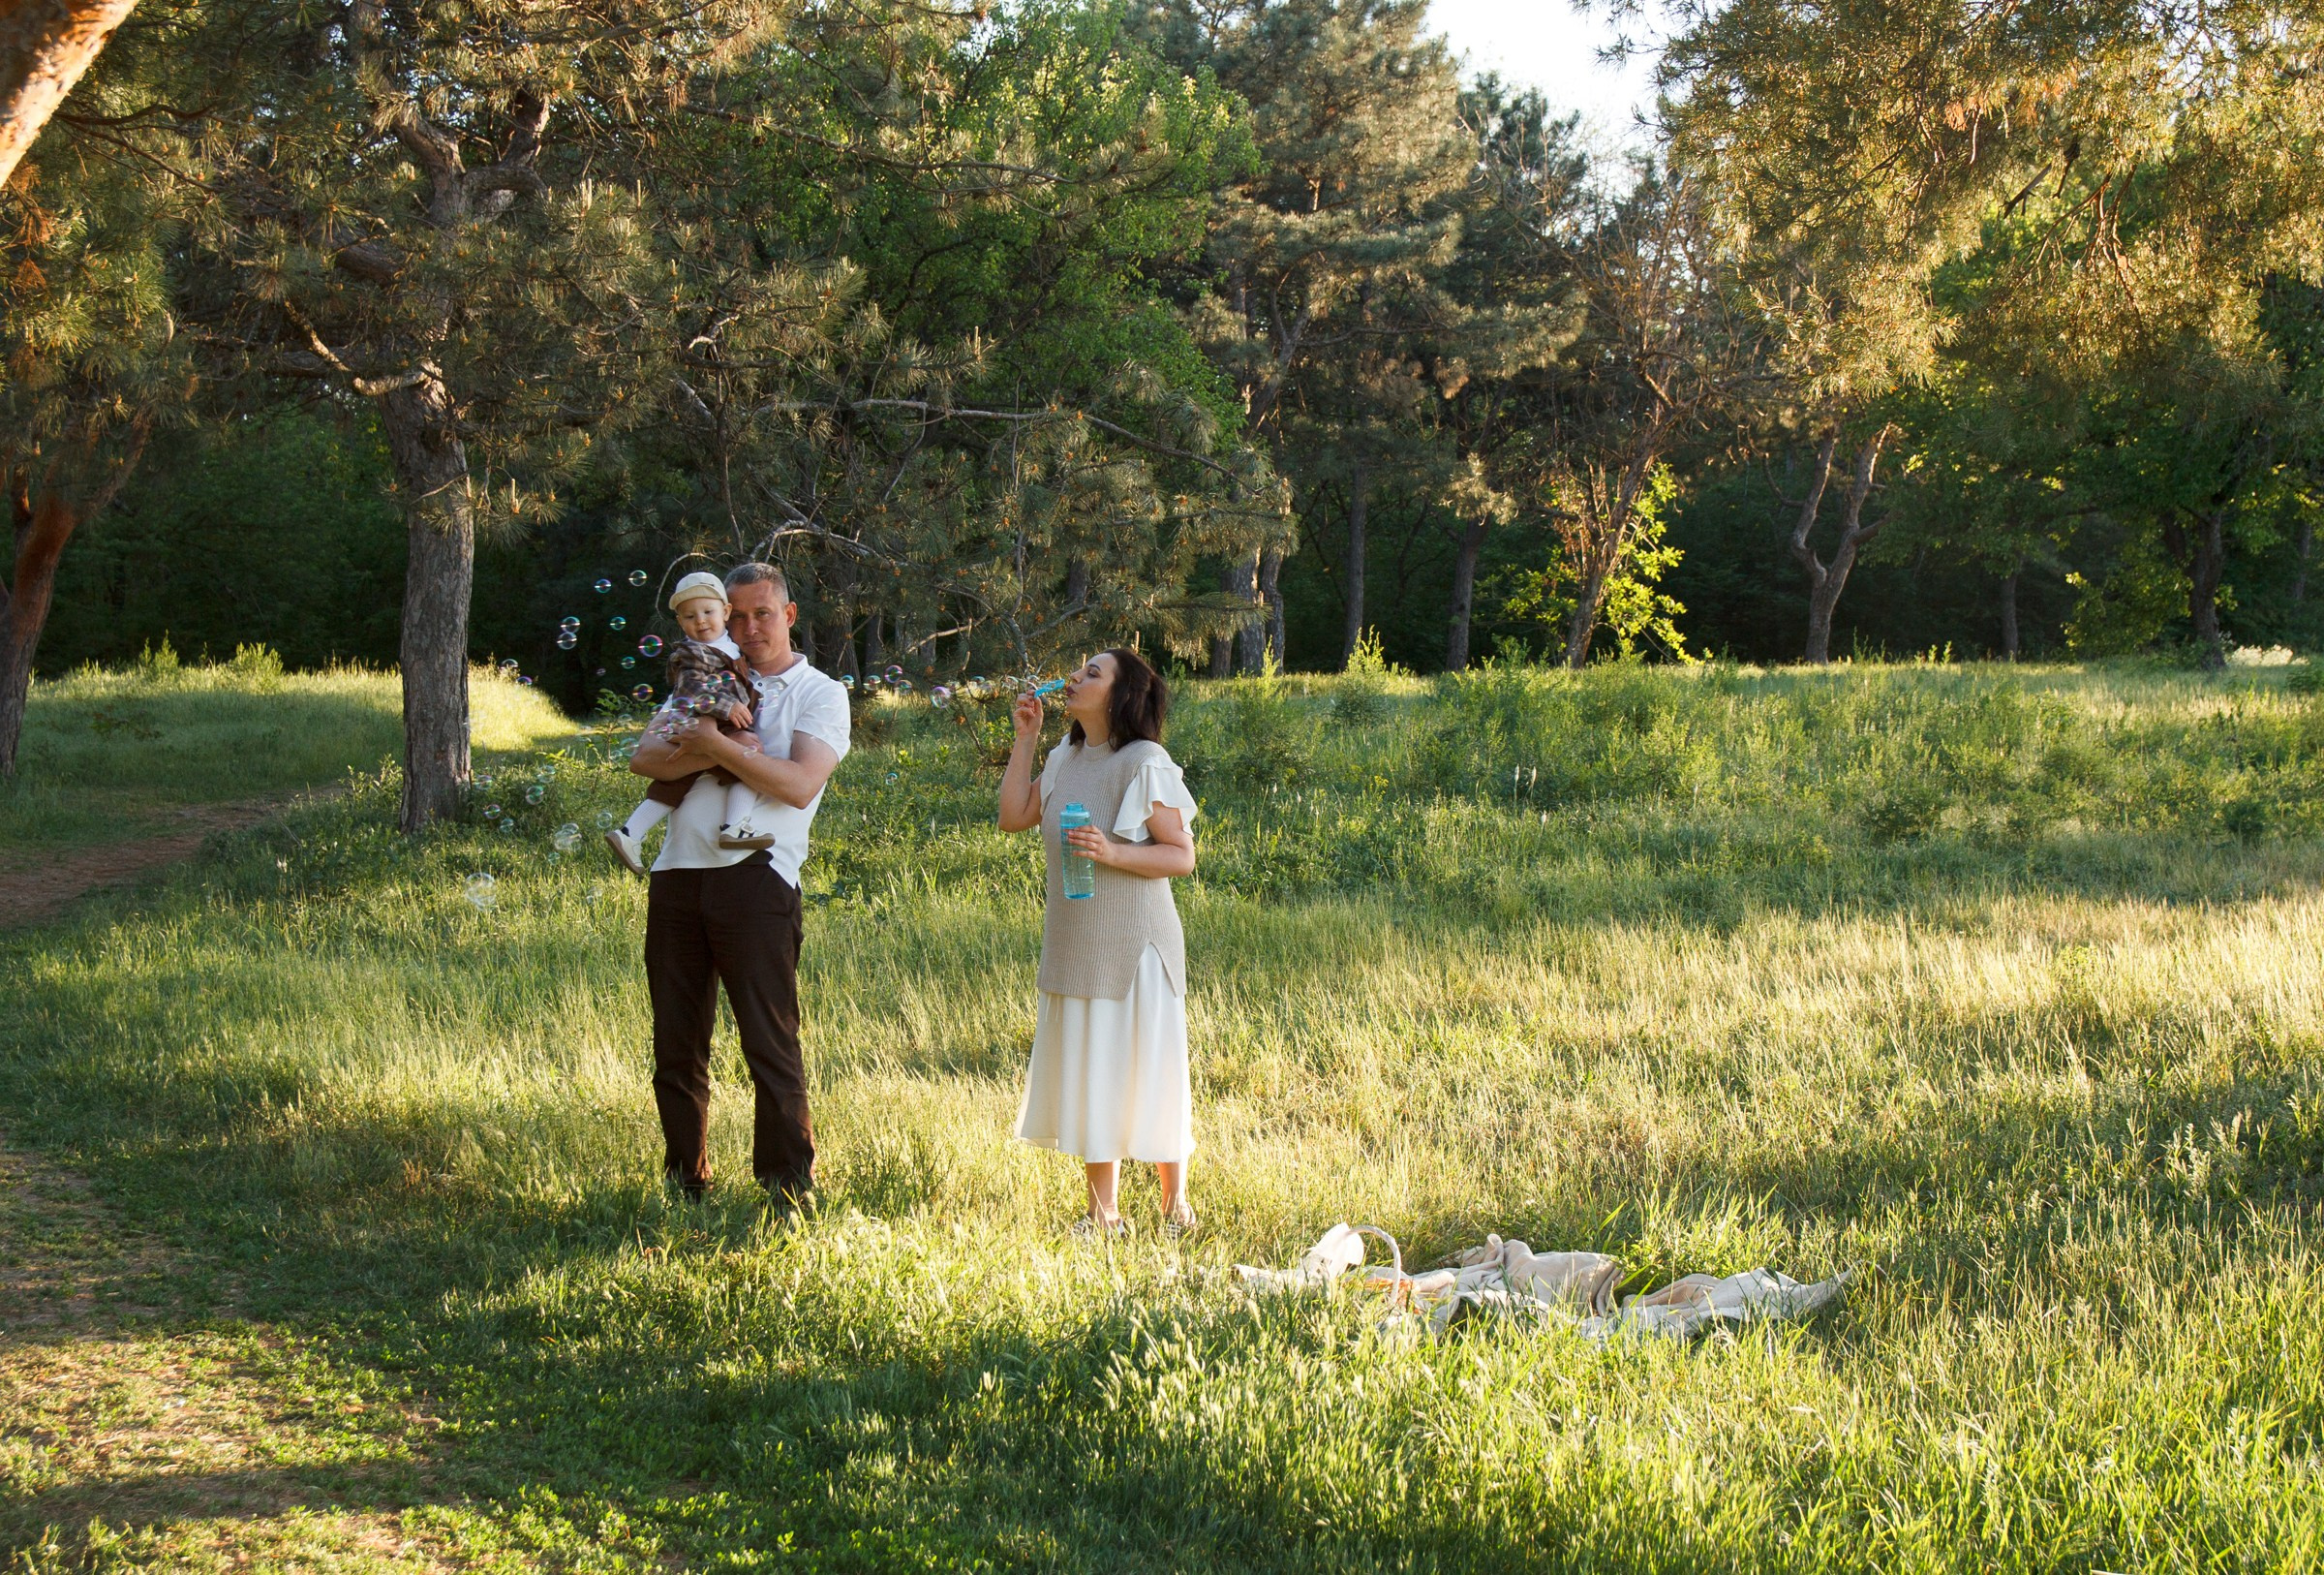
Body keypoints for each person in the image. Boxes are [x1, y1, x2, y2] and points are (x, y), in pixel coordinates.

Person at [627, 563, 850, 1213]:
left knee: (767, 1040)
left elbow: (798, 783)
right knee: (676, 1043)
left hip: (757, 876)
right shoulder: (708, 671)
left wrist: (706, 745)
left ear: (789, 614)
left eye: (761, 613)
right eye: (738, 614)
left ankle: (786, 1187)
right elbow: (645, 759)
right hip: (675, 873)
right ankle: (684, 1183)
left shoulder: (818, 692)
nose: (749, 627)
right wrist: (712, 741)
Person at [996, 648, 1202, 1239]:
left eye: (1094, 672)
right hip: (1076, 940)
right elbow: (1013, 815)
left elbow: (1180, 854)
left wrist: (1111, 852)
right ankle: (1102, 1213)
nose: (1077, 676)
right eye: (1079, 668)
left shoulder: (1143, 760)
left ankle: (1175, 1205)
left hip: (1137, 945)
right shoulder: (1066, 755)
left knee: (1151, 1066)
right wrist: (1026, 739)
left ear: (1121, 694)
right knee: (1095, 1069)